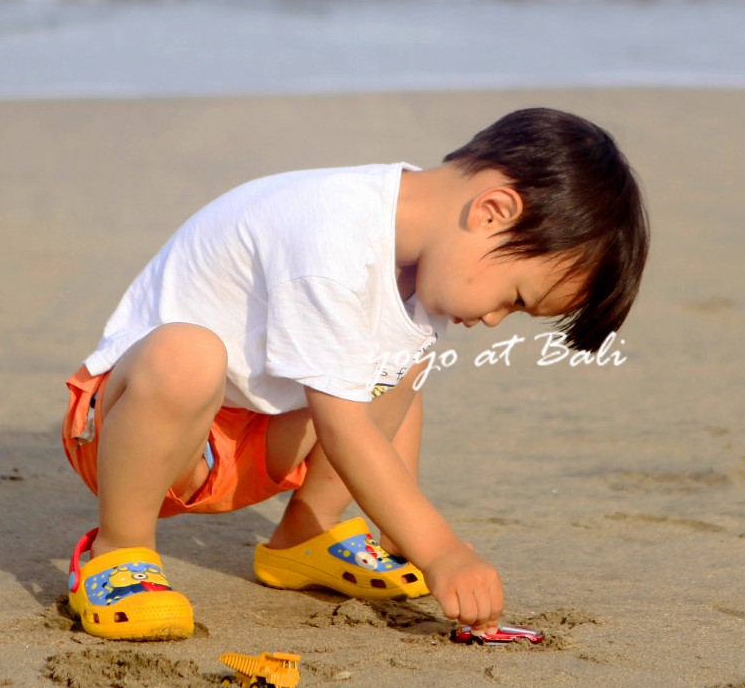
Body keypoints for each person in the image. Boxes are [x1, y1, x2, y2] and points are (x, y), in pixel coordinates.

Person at [59, 106, 650, 641]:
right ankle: (118, 550)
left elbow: (391, 401)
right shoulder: (333, 235)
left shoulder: (424, 265)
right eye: (515, 298)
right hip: (137, 439)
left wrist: (400, 534)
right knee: (188, 356)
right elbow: (342, 426)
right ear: (492, 211)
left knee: (400, 365)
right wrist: (439, 549)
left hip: (252, 443)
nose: (495, 320)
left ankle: (304, 535)